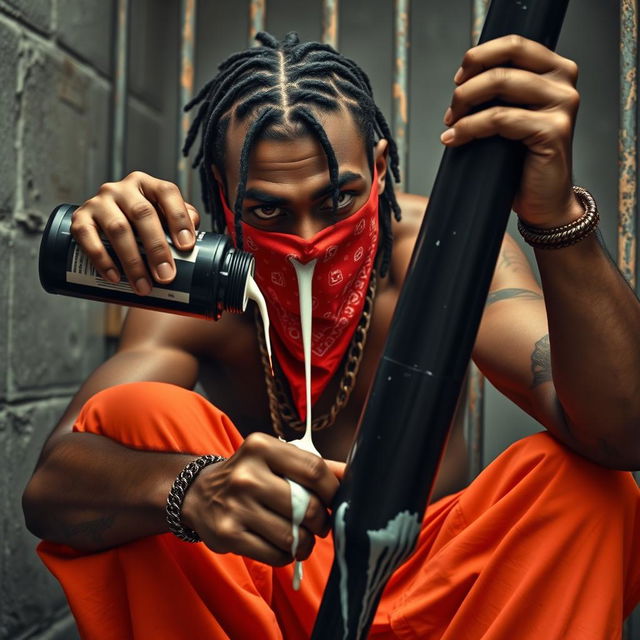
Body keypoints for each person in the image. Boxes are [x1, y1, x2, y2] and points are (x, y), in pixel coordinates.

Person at [23, 31, 640, 639]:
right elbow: (51, 492)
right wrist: (193, 490)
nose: (309, 238)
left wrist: (557, 218)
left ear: (377, 169)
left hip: (435, 586)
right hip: (269, 587)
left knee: (585, 484)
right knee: (142, 413)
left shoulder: (442, 255)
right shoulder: (194, 284)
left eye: (338, 198)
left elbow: (621, 433)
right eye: (268, 210)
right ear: (222, 192)